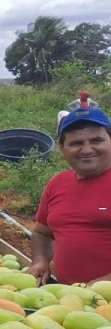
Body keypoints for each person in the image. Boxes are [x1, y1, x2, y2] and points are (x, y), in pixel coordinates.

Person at [29, 107, 111, 286]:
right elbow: (42, 233)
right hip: (69, 301)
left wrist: (103, 285)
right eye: (76, 143)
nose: (87, 149)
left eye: (96, 140)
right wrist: (40, 260)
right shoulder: (58, 183)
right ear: (62, 148)